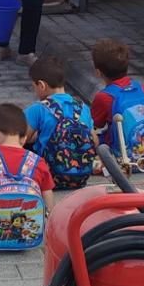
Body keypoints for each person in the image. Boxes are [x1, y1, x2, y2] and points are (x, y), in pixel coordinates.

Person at [23, 54, 97, 189]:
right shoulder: (82, 107)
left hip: (48, 177)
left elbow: (19, 139)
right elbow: (95, 141)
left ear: (41, 85)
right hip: (80, 177)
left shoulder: (39, 108)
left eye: (34, 86)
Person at [89, 39, 144, 144]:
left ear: (98, 72)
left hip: (121, 154)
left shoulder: (103, 97)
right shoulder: (143, 88)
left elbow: (96, 124)